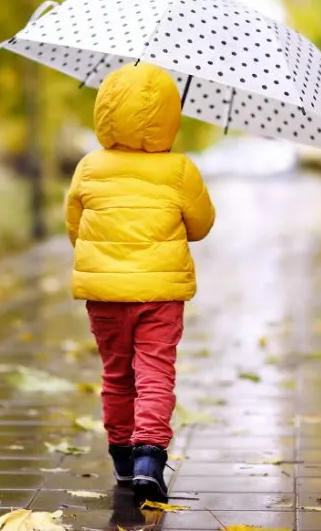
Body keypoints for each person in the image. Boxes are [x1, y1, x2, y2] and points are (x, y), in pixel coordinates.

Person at [64, 62, 215, 502]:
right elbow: (202, 225)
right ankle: (150, 455)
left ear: (105, 110)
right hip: (160, 296)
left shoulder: (89, 167)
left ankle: (121, 457)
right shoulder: (180, 170)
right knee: (155, 373)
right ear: (170, 116)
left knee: (117, 374)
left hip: (105, 294)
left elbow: (75, 227)